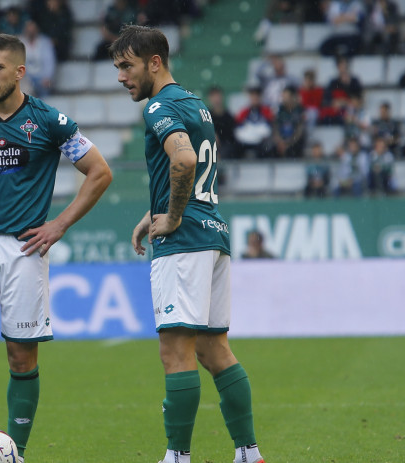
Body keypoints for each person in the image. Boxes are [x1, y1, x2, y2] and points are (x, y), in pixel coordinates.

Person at [0, 33, 112, 463]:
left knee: (21, 357)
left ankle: (19, 452)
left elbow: (100, 172)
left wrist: (59, 224)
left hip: (25, 251)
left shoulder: (50, 122)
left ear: (19, 71)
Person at [110, 25, 265, 463]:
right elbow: (189, 169)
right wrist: (157, 208)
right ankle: (248, 453)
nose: (121, 77)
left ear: (154, 62)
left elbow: (183, 158)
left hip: (185, 242)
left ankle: (177, 456)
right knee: (215, 349)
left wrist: (173, 216)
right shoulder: (194, 103)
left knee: (174, 351)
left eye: (126, 66)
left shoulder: (158, 106)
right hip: (213, 234)